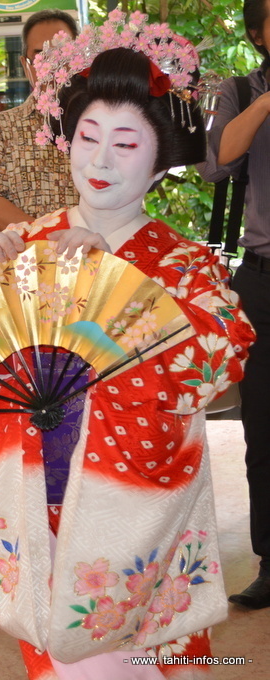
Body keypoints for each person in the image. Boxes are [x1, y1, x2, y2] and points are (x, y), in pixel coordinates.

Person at [0, 12, 255, 679]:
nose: (102, 160)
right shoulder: (29, 243)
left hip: (140, 508)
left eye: (126, 141)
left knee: (147, 660)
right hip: (38, 501)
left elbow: (217, 371)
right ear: (65, 138)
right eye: (87, 136)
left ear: (161, 151)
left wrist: (124, 285)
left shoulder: (180, 261)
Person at [196, 0, 270, 611]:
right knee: (265, 429)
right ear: (257, 33)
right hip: (266, 281)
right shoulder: (239, 90)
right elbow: (217, 163)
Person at [0, 9, 79, 230]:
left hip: (94, 257)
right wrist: (50, 241)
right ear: (25, 64)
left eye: (61, 54)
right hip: (22, 260)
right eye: (40, 56)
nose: (51, 66)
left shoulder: (102, 123)